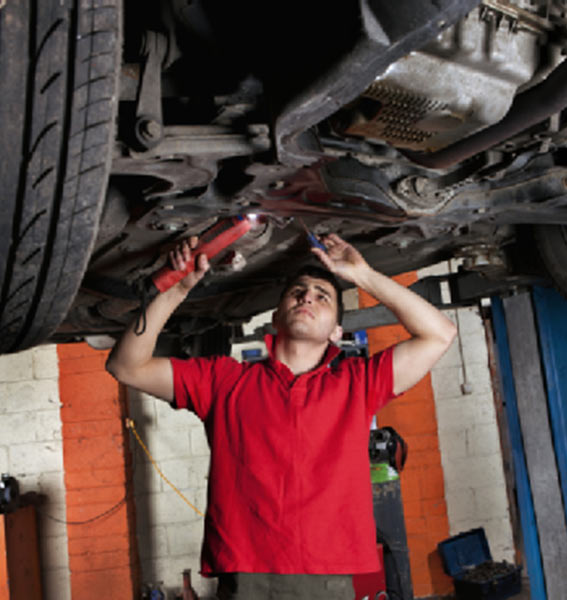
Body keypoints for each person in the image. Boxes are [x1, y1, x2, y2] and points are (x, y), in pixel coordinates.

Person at [106, 232, 457, 600]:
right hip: (246, 578)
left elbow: (439, 334)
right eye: (298, 291)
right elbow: (127, 366)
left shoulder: (358, 384)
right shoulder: (224, 381)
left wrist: (363, 275)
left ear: (337, 331)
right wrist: (177, 290)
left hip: (327, 577)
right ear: (275, 317)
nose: (307, 296)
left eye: (323, 297)